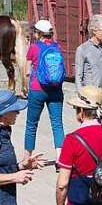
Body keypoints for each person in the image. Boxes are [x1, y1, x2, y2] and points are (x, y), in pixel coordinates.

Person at [25, 19, 65, 162]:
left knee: (31, 124)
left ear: (38, 33)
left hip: (37, 89)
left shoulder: (34, 48)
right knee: (57, 124)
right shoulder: (57, 47)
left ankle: (27, 157)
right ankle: (60, 159)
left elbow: (27, 71)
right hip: (56, 90)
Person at [75, 14, 102, 127]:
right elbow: (78, 76)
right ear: (94, 31)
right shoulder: (82, 49)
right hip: (90, 95)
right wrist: (81, 98)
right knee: (94, 127)